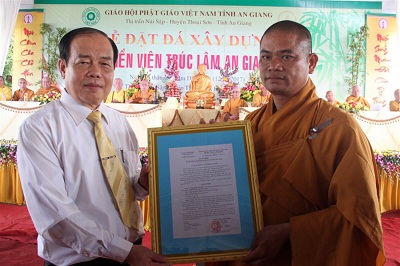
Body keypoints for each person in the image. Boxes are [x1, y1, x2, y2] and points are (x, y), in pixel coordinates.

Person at [210, 20, 386, 266]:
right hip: (245, 256)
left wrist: (289, 232)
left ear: (311, 62)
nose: (274, 66)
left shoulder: (340, 129)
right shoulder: (249, 125)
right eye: (266, 57)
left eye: (287, 56)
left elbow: (357, 216)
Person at [17, 27, 169, 266]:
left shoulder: (119, 122)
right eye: (84, 62)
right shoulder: (40, 128)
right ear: (63, 67)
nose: (96, 73)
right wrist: (124, 252)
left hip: (131, 252)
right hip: (81, 261)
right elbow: (57, 218)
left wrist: (141, 184)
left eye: (105, 64)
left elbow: (126, 191)